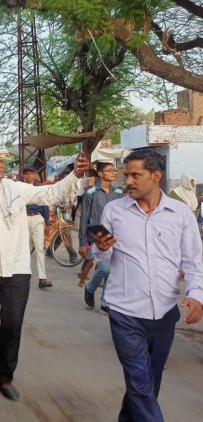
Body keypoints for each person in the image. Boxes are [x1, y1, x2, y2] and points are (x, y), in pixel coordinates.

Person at [0, 149, 89, 401]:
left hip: (17, 268)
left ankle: (4, 377)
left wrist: (74, 174)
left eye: (1, 162)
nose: (0, 165)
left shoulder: (16, 188)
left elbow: (50, 193)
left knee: (13, 323)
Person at [92, 149, 203, 421]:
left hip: (164, 313)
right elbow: (101, 257)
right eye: (125, 175)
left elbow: (193, 260)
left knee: (149, 382)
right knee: (140, 383)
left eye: (135, 175)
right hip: (125, 312)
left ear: (156, 176)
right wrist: (102, 247)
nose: (127, 181)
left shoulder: (180, 214)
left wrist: (196, 294)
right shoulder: (114, 211)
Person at [78, 162, 123, 313]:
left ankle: (105, 302)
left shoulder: (118, 193)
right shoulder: (90, 193)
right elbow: (84, 219)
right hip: (95, 238)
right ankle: (90, 288)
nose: (113, 172)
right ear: (100, 174)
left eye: (114, 170)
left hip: (113, 238)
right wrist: (82, 242)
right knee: (104, 268)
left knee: (111, 270)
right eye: (109, 170)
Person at [22, 167, 52, 289]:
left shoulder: (39, 187)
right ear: (24, 175)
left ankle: (42, 278)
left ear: (34, 174)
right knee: (24, 249)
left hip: (37, 218)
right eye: (27, 174)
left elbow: (45, 204)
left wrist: (47, 223)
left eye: (31, 173)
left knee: (40, 248)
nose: (29, 176)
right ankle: (23, 276)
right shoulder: (20, 188)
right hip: (23, 218)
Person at [76, 169, 97, 287]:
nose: (89, 185)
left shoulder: (97, 194)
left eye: (91, 183)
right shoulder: (86, 195)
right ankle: (82, 279)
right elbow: (84, 217)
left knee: (96, 261)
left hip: (99, 231)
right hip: (89, 232)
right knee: (90, 259)